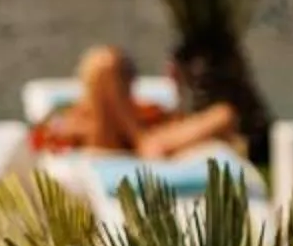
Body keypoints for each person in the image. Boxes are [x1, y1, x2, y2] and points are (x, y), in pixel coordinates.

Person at [40, 45, 243, 161]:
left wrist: (179, 96)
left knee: (224, 113)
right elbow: (54, 137)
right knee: (105, 63)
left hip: (146, 142)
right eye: (111, 80)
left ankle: (140, 139)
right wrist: (137, 136)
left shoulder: (146, 110)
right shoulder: (73, 121)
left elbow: (219, 118)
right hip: (116, 143)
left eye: (119, 78)